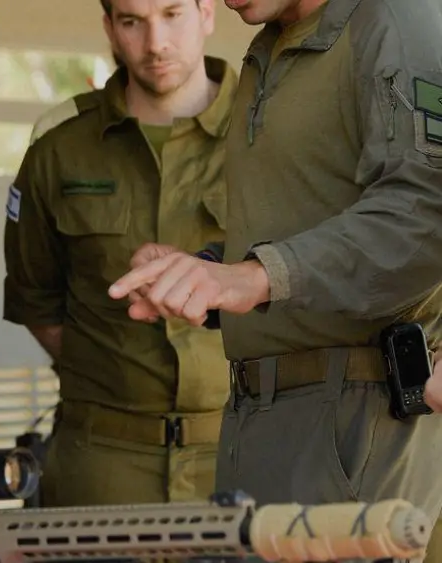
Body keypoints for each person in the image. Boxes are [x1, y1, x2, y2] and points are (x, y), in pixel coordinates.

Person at [107, 0, 442, 548]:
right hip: (260, 419)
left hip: (360, 420)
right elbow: (306, 222)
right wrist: (208, 274)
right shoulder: (270, 43)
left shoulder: (397, 17)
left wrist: (255, 277)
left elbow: (426, 211)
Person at [3, 0, 238, 507]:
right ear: (110, 28)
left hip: (243, 449)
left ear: (207, 14)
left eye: (173, 14)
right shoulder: (60, 148)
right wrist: (115, 373)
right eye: (133, 21)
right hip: (102, 458)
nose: (155, 44)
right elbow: (37, 301)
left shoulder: (267, 136)